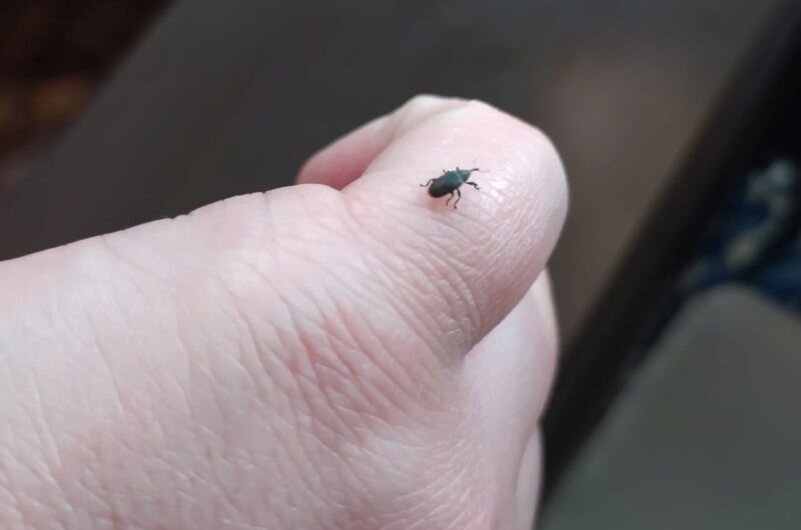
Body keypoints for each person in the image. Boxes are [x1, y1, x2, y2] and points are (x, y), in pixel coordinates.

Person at [0, 95, 567, 529]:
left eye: (458, 181)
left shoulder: (453, 186)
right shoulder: (450, 186)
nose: (458, 181)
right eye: (458, 179)